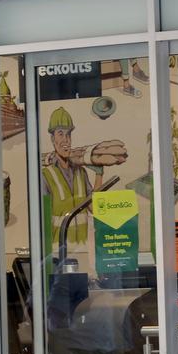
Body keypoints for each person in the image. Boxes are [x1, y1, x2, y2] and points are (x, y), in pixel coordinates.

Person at [41, 106, 128, 250]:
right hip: (57, 249)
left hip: (82, 247)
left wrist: (99, 174)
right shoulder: (46, 176)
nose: (65, 140)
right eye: (60, 134)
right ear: (52, 138)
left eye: (68, 134)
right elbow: (42, 220)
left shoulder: (81, 172)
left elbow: (94, 207)